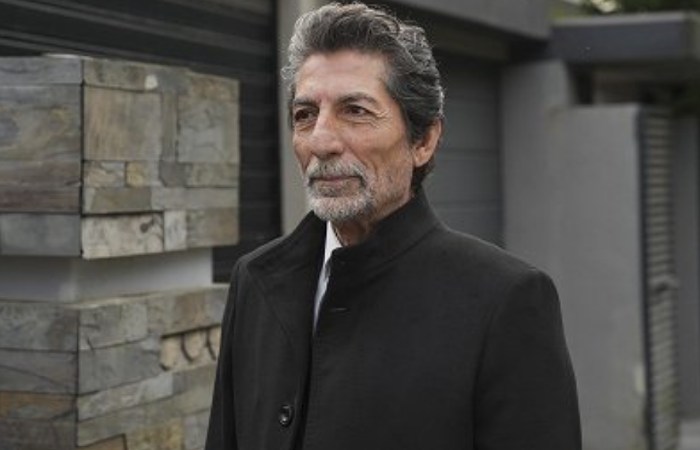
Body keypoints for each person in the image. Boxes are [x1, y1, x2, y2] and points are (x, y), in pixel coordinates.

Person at [205, 3, 581, 450]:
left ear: (423, 140)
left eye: (355, 111)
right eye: (305, 114)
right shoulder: (255, 280)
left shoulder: (506, 299)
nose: (321, 140)